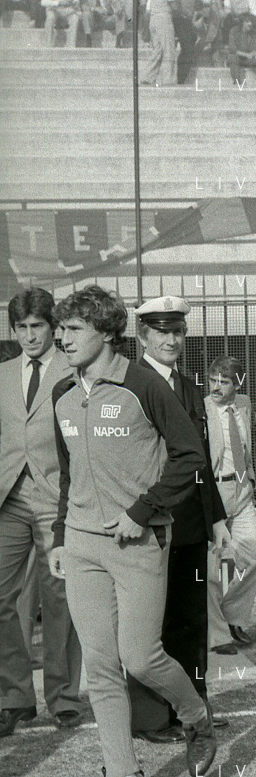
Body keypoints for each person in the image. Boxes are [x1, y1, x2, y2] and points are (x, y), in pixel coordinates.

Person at [47, 286, 217, 777]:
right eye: (60, 330)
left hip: (138, 541)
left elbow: (190, 456)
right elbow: (69, 474)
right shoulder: (62, 394)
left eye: (73, 329)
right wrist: (60, 537)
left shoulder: (144, 386)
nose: (62, 339)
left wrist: (142, 512)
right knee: (100, 667)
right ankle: (122, 769)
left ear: (105, 331)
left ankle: (196, 716)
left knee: (140, 658)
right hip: (81, 544)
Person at [129, 295, 229, 742]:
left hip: (188, 523)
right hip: (148, 523)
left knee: (191, 620)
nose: (171, 340)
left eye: (178, 331)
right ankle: (151, 719)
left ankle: (194, 708)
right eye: (161, 331)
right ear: (142, 335)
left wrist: (216, 519)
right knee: (149, 626)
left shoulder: (188, 387)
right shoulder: (131, 384)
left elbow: (199, 460)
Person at [0, 289, 85, 737]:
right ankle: (14, 697)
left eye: (37, 326)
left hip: (57, 499)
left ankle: (64, 698)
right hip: (8, 498)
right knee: (2, 597)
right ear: (13, 330)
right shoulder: (2, 374)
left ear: (53, 327)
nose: (30, 336)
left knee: (61, 601)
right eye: (22, 328)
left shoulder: (73, 370)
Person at [204, 356, 256, 656]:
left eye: (224, 382)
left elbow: (245, 445)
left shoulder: (244, 404)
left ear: (238, 384)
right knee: (211, 567)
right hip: (213, 490)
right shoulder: (202, 409)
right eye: (212, 380)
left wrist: (250, 479)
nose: (216, 387)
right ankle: (216, 635)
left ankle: (232, 618)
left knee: (255, 556)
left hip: (242, 490)